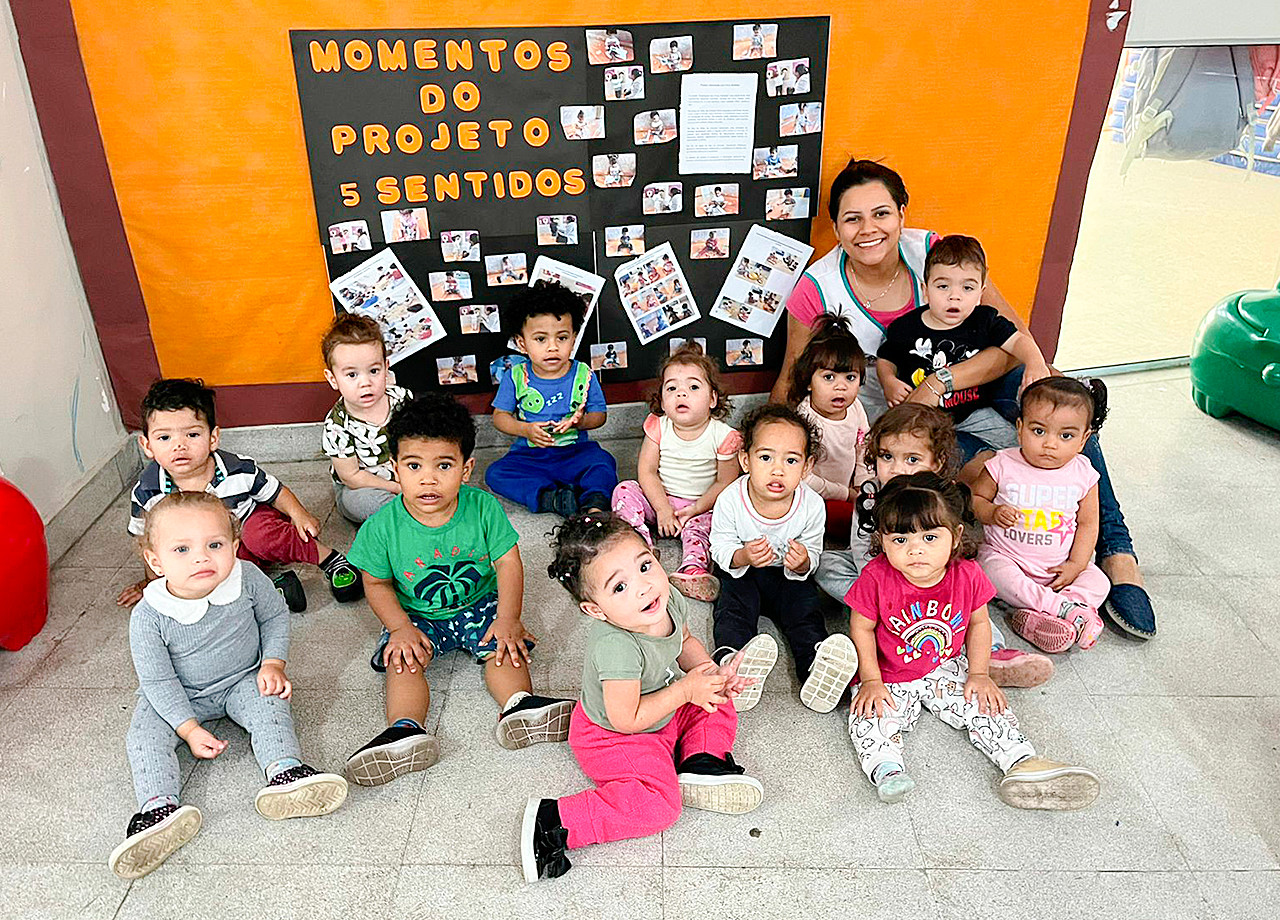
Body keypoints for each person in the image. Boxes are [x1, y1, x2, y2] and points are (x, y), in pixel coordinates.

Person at [772, 157, 1155, 638]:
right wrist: (766, 450)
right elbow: (793, 376)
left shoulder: (936, 255)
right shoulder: (817, 286)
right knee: (981, 466)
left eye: (881, 213)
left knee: (1064, 414)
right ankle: (1019, 562)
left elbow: (1009, 342)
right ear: (836, 227)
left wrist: (942, 382)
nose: (868, 229)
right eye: (852, 218)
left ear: (902, 213)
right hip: (906, 423)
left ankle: (1118, 556)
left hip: (978, 393)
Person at [110, 493, 347, 879]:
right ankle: (158, 809)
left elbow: (274, 618)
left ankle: (286, 772)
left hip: (242, 677)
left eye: (215, 545)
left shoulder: (248, 578)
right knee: (143, 736)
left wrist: (273, 663)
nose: (202, 558)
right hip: (177, 692)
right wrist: (187, 728)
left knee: (270, 705)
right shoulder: (149, 615)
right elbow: (157, 679)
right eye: (182, 549)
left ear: (235, 547)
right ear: (155, 561)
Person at [522, 513, 768, 882]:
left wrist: (711, 675)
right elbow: (627, 719)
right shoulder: (616, 646)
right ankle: (554, 822)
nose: (643, 587)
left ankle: (701, 763)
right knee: (659, 807)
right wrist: (686, 689)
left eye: (644, 566)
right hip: (615, 736)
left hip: (662, 708)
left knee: (718, 701)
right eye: (619, 587)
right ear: (595, 610)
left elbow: (684, 642)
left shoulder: (665, 601)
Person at [344, 394, 574, 785]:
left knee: (506, 647)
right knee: (403, 660)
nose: (428, 479)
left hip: (479, 602)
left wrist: (508, 618)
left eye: (444, 466)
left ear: (466, 469)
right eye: (414, 466)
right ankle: (405, 731)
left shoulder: (483, 508)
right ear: (395, 469)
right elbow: (377, 583)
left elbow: (508, 562)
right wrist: (398, 627)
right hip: (416, 614)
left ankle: (520, 706)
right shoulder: (381, 526)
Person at [843, 472, 1100, 809]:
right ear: (883, 541)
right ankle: (887, 770)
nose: (915, 550)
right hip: (890, 673)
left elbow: (979, 624)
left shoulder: (966, 574)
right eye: (900, 540)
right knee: (867, 714)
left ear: (955, 537)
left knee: (985, 705)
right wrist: (872, 680)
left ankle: (1021, 761)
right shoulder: (875, 576)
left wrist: (979, 674)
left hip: (945, 665)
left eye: (930, 538)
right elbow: (861, 628)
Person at [816, 404, 1054, 688]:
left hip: (936, 581)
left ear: (936, 462)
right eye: (886, 456)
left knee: (967, 594)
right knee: (826, 564)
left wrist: (930, 580)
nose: (896, 468)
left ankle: (991, 654)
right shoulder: (870, 499)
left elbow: (956, 550)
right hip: (885, 578)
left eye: (912, 459)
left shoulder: (941, 498)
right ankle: (887, 618)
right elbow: (861, 550)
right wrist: (885, 591)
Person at [117, 379, 361, 610]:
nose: (179, 445)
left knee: (259, 535)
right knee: (208, 568)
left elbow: (275, 492)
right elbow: (148, 542)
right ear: (147, 445)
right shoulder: (148, 491)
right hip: (217, 544)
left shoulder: (236, 469)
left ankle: (330, 560)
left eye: (192, 435)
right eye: (164, 437)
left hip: (251, 523)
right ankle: (276, 585)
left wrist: (300, 514)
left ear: (213, 438)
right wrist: (151, 584)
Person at [709, 404, 858, 713]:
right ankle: (732, 663)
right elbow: (719, 548)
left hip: (788, 578)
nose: (778, 469)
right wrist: (743, 555)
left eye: (791, 460)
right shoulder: (730, 500)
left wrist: (803, 561)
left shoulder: (813, 505)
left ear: (806, 467)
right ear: (745, 460)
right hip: (743, 572)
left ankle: (815, 668)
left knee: (805, 613)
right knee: (733, 609)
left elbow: (814, 553)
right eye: (765, 457)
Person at [971, 378, 1113, 653]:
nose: (1050, 444)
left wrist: (1076, 564)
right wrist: (992, 512)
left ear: (1085, 439)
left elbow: (1088, 523)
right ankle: (1066, 610)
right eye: (1039, 431)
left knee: (1099, 581)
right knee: (990, 571)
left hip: (1057, 567)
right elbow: (975, 500)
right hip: (1008, 558)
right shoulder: (1001, 464)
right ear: (1020, 427)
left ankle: (1045, 613)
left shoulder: (1083, 473)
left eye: (1066, 436)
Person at [877, 234, 1051, 452]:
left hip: (974, 412)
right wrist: (889, 382)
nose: (954, 297)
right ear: (925, 290)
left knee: (1016, 444)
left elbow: (1018, 342)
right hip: (922, 416)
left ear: (981, 292)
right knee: (903, 445)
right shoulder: (905, 327)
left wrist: (1036, 362)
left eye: (967, 288)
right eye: (943, 286)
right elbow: (885, 359)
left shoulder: (984, 320)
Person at [612, 344, 741, 603]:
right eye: (672, 388)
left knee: (716, 521)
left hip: (702, 504)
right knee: (624, 489)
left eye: (693, 387)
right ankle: (639, 545)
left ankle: (694, 568)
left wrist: (695, 509)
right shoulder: (658, 426)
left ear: (713, 399)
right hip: (660, 497)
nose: (681, 393)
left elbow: (725, 482)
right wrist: (662, 509)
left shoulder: (724, 436)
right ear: (661, 398)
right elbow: (646, 472)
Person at [487, 281, 617, 517]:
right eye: (540, 339)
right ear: (521, 343)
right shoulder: (515, 376)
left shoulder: (584, 374)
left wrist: (581, 422)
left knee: (603, 462)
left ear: (574, 338)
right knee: (495, 473)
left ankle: (594, 504)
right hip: (530, 457)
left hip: (575, 453)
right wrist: (525, 430)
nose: (552, 347)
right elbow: (500, 417)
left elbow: (600, 416)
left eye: (562, 338)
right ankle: (552, 498)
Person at [320, 314, 412, 524]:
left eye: (373, 371)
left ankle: (418, 509)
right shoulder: (337, 425)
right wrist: (397, 488)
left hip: (406, 474)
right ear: (333, 379)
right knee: (364, 502)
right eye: (352, 375)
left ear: (386, 367)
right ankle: (401, 519)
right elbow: (351, 476)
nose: (365, 383)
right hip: (364, 485)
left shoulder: (401, 399)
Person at [789, 316, 872, 540]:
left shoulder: (855, 407)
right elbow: (801, 478)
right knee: (833, 518)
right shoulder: (804, 420)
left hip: (849, 491)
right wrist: (845, 494)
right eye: (828, 377)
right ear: (808, 382)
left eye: (851, 377)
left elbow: (863, 447)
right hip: (812, 496)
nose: (841, 386)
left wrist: (863, 485)